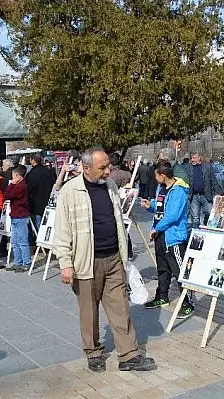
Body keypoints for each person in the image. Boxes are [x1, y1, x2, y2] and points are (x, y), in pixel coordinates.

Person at [53, 147, 155, 373]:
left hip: (113, 259)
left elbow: (118, 220)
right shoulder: (70, 191)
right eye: (103, 167)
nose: (108, 171)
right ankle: (93, 352)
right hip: (86, 262)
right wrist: (65, 264)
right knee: (89, 311)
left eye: (108, 165)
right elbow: (61, 231)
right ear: (86, 168)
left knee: (120, 308)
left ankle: (128, 355)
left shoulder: (110, 186)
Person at [140, 161, 195, 318]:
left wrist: (156, 228)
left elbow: (172, 215)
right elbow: (160, 207)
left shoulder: (178, 191)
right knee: (162, 269)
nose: (155, 178)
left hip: (173, 236)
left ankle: (188, 302)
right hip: (160, 235)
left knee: (179, 270)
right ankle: (162, 296)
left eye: (156, 175)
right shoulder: (161, 188)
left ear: (163, 175)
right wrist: (149, 205)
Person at [4, 165, 31, 272]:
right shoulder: (17, 185)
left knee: (22, 240)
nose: (12, 179)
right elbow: (7, 194)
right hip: (15, 215)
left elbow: (8, 195)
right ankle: (17, 261)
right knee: (14, 241)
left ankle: (26, 262)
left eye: (14, 176)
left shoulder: (22, 186)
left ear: (18, 176)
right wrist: (12, 185)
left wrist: (12, 185)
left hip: (21, 216)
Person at [185, 152, 221, 229]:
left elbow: (213, 180)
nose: (192, 160)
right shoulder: (188, 168)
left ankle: (207, 225)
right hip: (194, 196)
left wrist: (218, 193)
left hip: (206, 195)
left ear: (199, 158)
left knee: (209, 213)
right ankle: (196, 234)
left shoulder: (207, 166)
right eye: (191, 158)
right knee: (195, 218)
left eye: (194, 158)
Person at [26, 153, 56, 244]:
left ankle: (41, 244)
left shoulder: (30, 174)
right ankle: (49, 242)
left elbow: (28, 189)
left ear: (33, 161)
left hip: (35, 204)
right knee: (49, 224)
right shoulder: (50, 172)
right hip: (49, 203)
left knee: (38, 225)